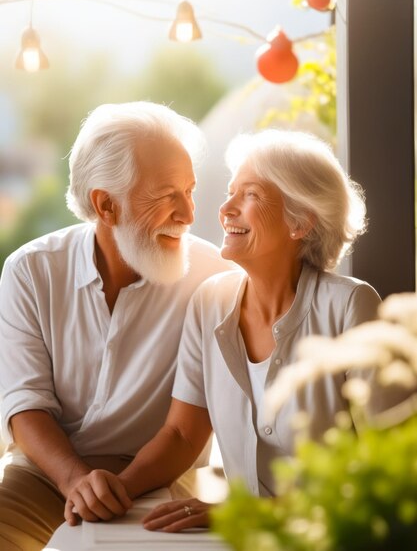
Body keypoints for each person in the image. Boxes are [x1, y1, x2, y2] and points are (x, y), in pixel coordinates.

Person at [91, 127, 379, 533]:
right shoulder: (209, 303)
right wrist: (116, 490)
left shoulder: (351, 306)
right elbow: (180, 434)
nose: (225, 208)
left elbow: (389, 465)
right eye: (231, 192)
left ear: (300, 222)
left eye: (251, 195)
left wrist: (258, 514)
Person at [0, 101, 230, 551]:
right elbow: (25, 405)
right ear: (106, 205)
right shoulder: (30, 270)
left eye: (190, 190)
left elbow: (186, 431)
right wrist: (75, 480)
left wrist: (115, 490)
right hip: (43, 474)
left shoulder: (215, 277)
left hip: (159, 478)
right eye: (167, 195)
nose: (187, 213)